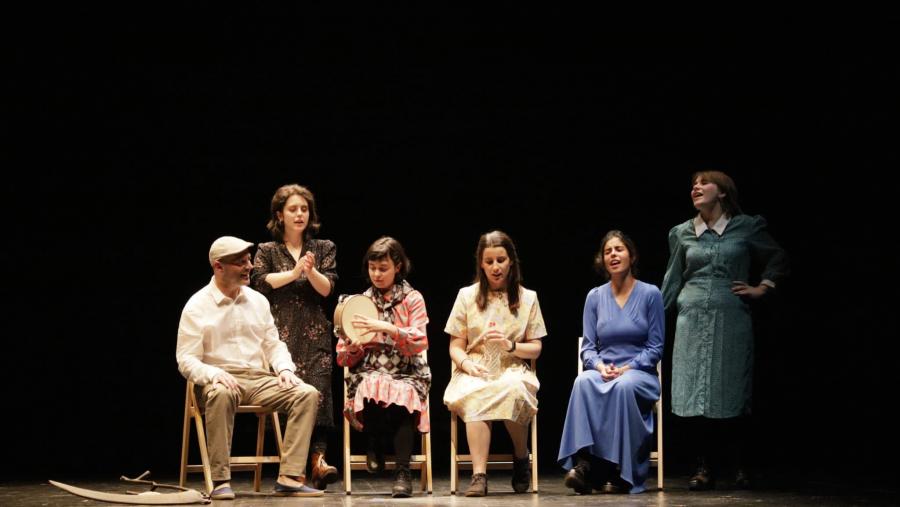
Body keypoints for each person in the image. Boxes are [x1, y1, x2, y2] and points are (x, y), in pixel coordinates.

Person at [661, 171, 789, 490]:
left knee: (732, 389)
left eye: (704, 182)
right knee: (693, 394)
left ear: (723, 192)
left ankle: (741, 464)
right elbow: (673, 279)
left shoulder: (746, 226)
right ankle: (703, 466)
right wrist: (648, 320)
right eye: (693, 183)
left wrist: (763, 287)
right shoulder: (682, 233)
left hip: (731, 316)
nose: (696, 187)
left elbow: (778, 257)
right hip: (690, 318)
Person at [176, 236, 323, 499]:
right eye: (241, 262)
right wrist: (214, 374)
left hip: (258, 380)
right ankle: (220, 479)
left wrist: (285, 369)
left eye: (249, 260)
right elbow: (186, 359)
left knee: (306, 393)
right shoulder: (197, 306)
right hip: (216, 380)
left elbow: (273, 344)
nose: (250, 266)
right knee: (221, 393)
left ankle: (289, 477)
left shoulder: (258, 301)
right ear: (219, 267)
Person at [558, 230, 664, 495]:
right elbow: (588, 348)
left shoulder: (651, 294)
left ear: (632, 255)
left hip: (639, 373)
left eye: (619, 249)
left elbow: (656, 347)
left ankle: (617, 470)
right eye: (608, 251)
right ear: (602, 260)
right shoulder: (594, 297)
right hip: (606, 370)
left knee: (623, 386)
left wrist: (628, 367)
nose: (614, 255)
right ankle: (584, 464)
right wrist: (600, 366)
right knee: (583, 381)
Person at [443, 230, 547, 497]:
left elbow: (535, 348)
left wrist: (510, 345)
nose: (495, 267)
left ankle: (521, 458)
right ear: (481, 263)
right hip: (476, 366)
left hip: (512, 366)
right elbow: (455, 346)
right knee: (475, 393)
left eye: (500, 260)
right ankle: (479, 475)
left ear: (511, 260)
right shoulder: (467, 296)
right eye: (489, 261)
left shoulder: (528, 298)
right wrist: (467, 365)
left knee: (513, 391)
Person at [250, 184, 339, 490]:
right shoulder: (267, 251)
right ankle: (295, 468)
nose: (300, 214)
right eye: (293, 209)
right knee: (290, 396)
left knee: (320, 396)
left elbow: (327, 289)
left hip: (315, 334)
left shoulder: (323, 247)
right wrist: (294, 272)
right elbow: (260, 283)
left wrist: (310, 272)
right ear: (280, 214)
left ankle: (318, 461)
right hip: (280, 335)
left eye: (304, 209)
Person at [336, 237, 431, 498]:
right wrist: (353, 347)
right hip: (370, 369)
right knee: (370, 385)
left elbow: (420, 341)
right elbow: (344, 357)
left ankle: (403, 472)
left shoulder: (412, 299)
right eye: (372, 268)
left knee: (402, 394)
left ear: (397, 267)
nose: (376, 274)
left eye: (383, 268)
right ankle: (374, 443)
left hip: (407, 368)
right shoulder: (358, 302)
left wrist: (387, 328)